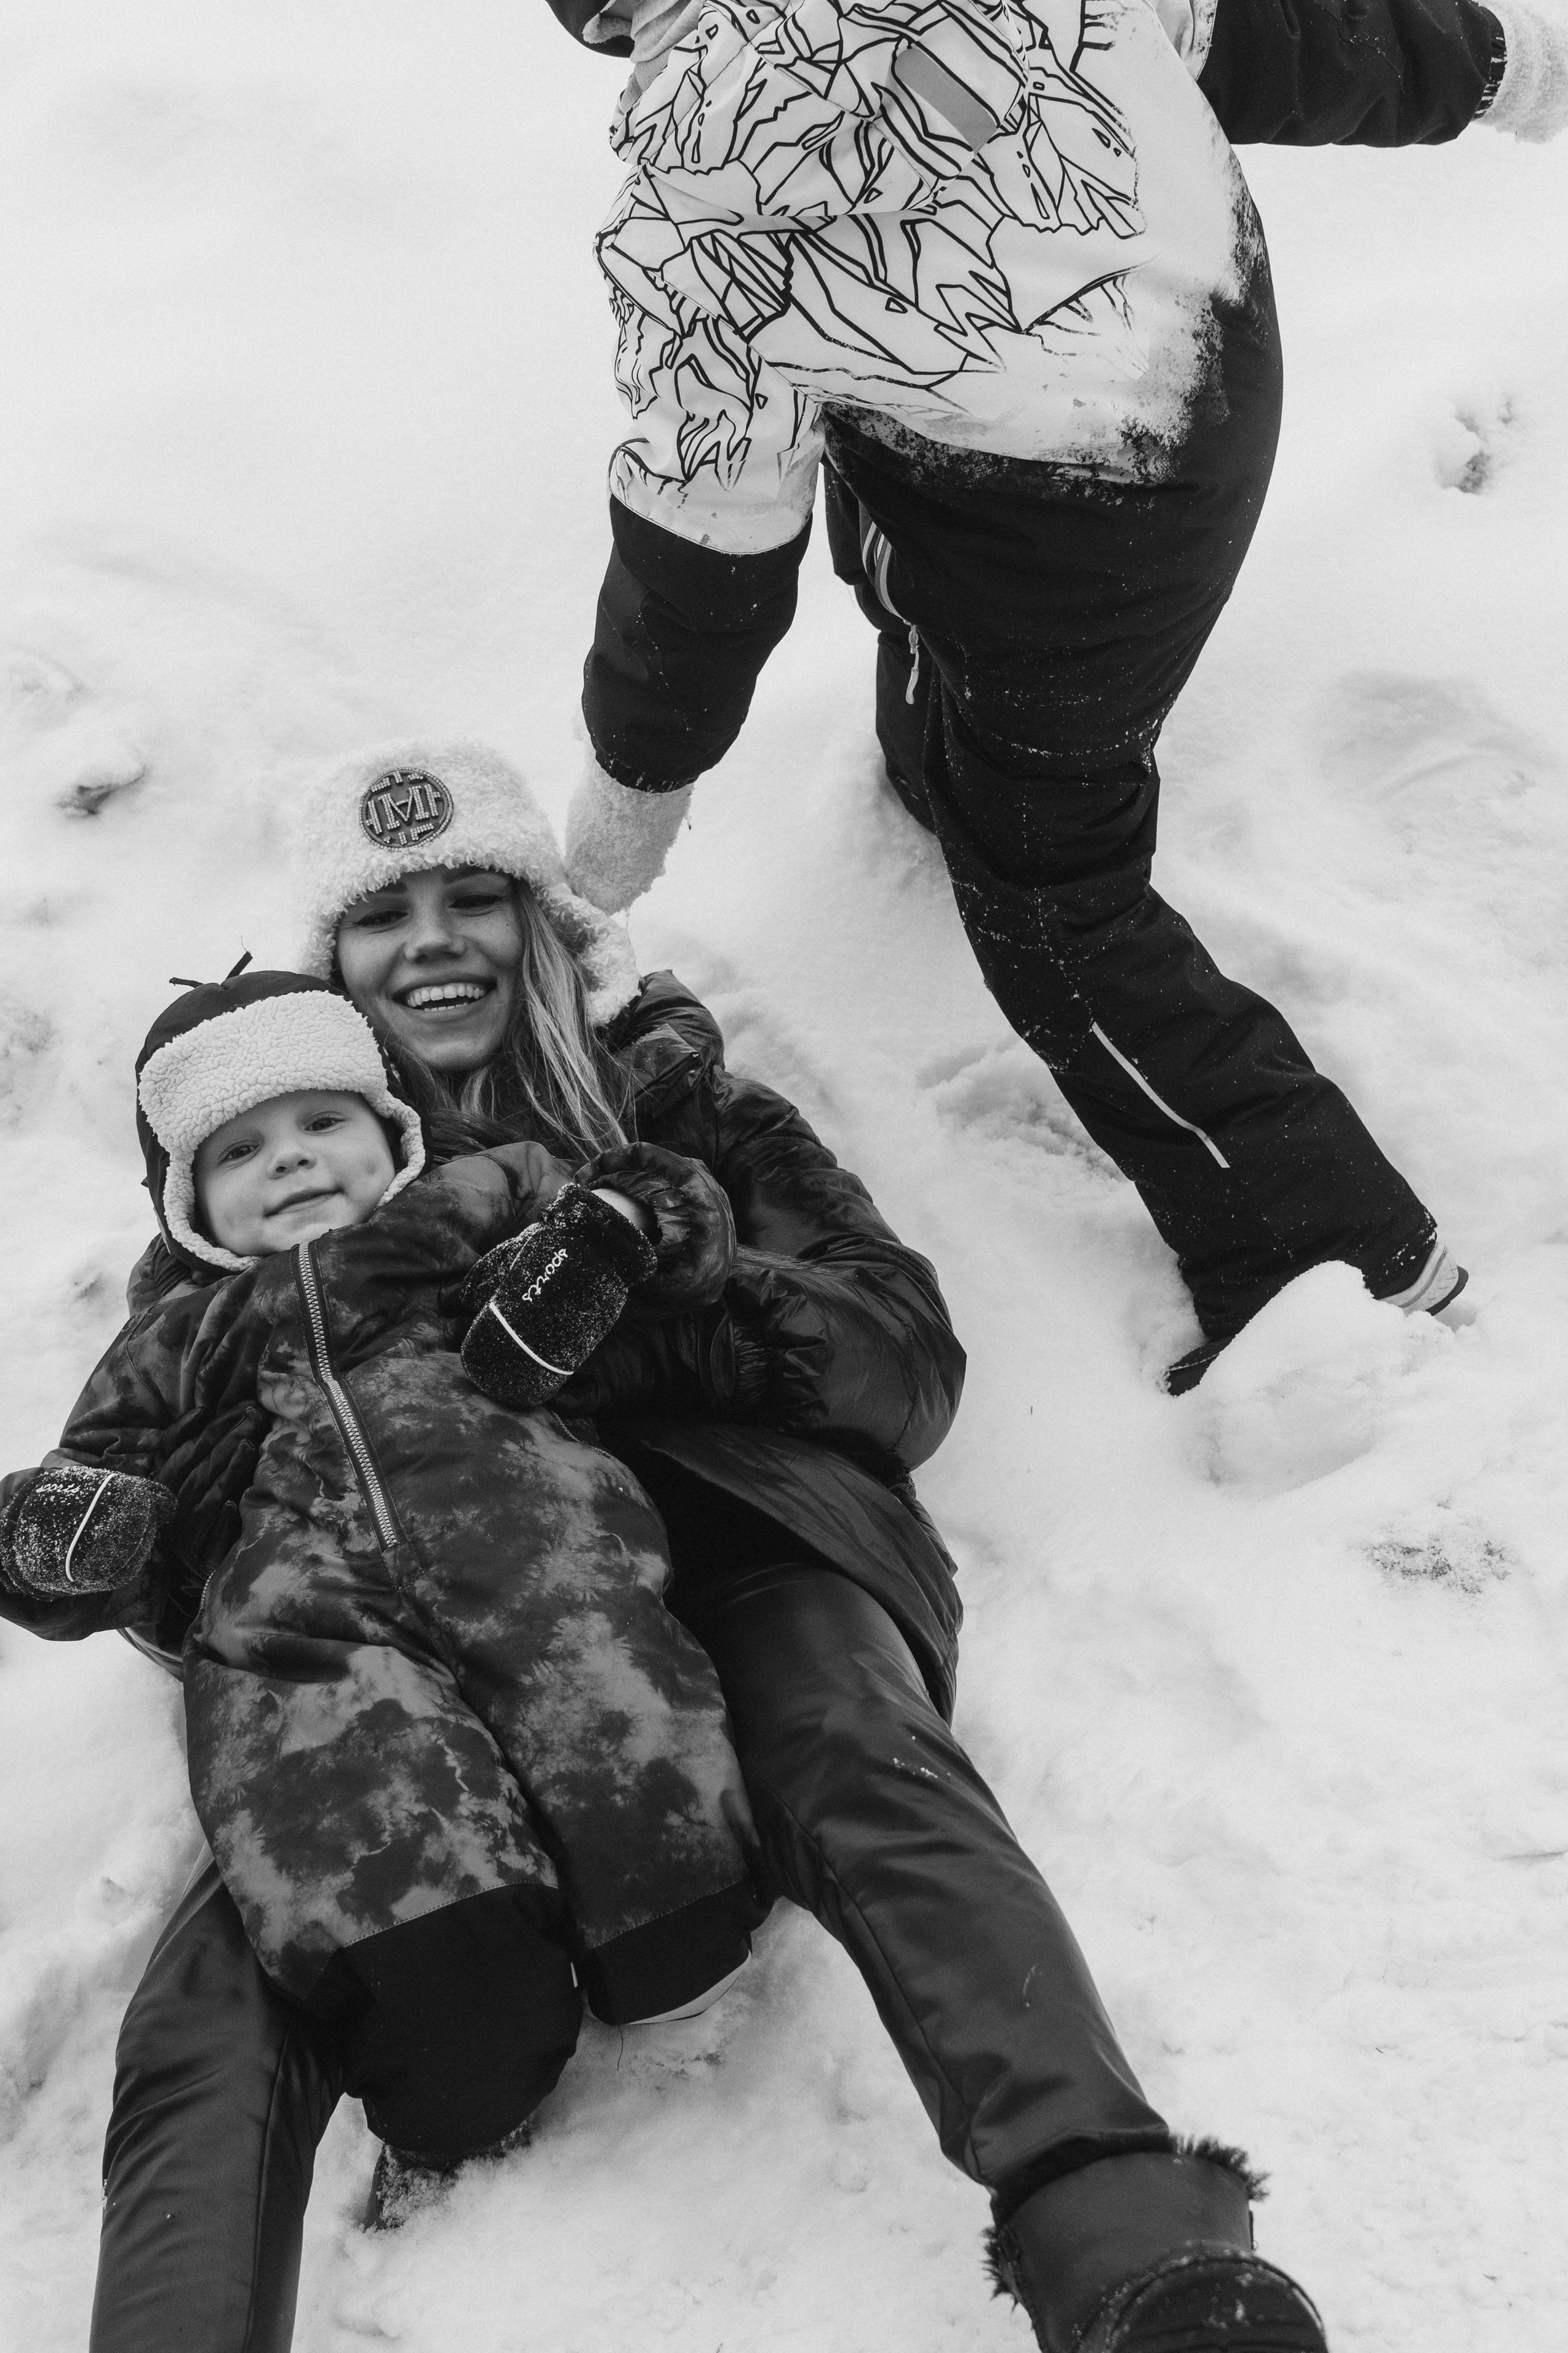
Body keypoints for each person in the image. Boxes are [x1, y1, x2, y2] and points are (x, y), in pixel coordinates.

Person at [11, 738, 1334, 2353]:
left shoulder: (678, 1107)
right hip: (397, 1651)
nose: (430, 939)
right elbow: (148, 1527)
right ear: (333, 970)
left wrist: (616, 1322)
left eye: (470, 896)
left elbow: (901, 1357)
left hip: (732, 1543)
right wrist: (192, 1507)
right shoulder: (251, 1198)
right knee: (220, 1976)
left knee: (856, 1751)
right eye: (382, 916)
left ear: (539, 918)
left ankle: (1124, 2239)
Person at [551, 0, 1568, 1390]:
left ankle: (1326, 1250)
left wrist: (630, 797)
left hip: (1058, 525)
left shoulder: (700, 183)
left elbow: (704, 543)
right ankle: (939, 760)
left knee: (1050, 893)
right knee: (885, 501)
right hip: (1205, 383)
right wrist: (1515, 66)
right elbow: (1271, 36)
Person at [0, 962, 769, 2201]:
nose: (292, 1160)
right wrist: (66, 1535)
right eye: (241, 1149)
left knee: (619, 1730)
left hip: (531, 1528)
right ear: (189, 1204)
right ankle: (453, 2019)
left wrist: (604, 1243)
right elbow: (102, 1477)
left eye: (322, 1122)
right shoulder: (176, 1336)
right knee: (342, 1786)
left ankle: (665, 1920)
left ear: (391, 1125)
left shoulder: (484, 1192)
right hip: (302, 1612)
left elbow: (669, 1206)